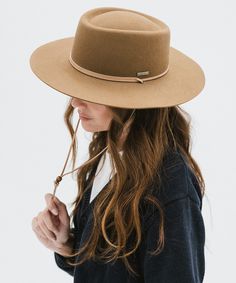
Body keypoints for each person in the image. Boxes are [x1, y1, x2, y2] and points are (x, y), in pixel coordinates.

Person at [30, 6, 206, 283]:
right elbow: (110, 271)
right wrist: (67, 245)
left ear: (132, 100)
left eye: (92, 91)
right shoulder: (108, 150)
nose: (75, 102)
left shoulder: (170, 187)